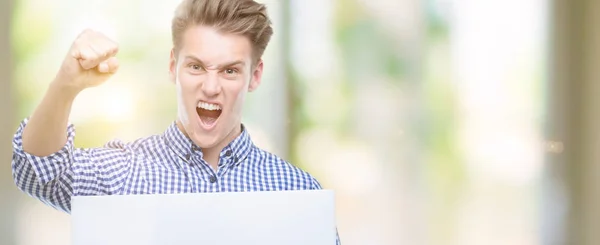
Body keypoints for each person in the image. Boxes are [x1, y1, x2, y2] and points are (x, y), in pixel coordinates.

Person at [11, 0, 340, 243]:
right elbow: (38, 174)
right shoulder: (118, 175)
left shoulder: (296, 193)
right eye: (196, 66)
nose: (211, 87)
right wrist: (65, 87)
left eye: (229, 70)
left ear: (254, 76)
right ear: (173, 66)